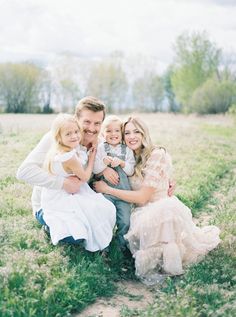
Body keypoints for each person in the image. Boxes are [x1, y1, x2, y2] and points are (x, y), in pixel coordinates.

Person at [94, 116, 221, 284]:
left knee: (162, 214)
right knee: (142, 226)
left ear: (144, 133)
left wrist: (108, 189)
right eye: (127, 133)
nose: (131, 136)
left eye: (136, 132)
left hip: (161, 206)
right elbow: (104, 142)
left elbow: (143, 197)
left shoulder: (156, 154)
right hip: (140, 211)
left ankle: (172, 267)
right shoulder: (127, 156)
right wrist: (102, 172)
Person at [17, 96, 117, 245]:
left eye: (97, 123)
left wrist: (103, 170)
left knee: (104, 214)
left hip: (80, 200)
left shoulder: (101, 143)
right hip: (50, 205)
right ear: (76, 119)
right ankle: (50, 226)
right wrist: (62, 183)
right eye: (87, 122)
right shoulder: (56, 139)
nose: (92, 128)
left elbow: (128, 155)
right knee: (74, 236)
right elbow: (24, 171)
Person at [39, 113, 116, 251]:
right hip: (61, 196)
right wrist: (92, 157)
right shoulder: (69, 157)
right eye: (68, 134)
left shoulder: (58, 149)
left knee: (93, 211)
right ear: (59, 137)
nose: (74, 136)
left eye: (76, 132)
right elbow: (85, 177)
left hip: (54, 194)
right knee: (102, 208)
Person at [93, 115, 135, 249]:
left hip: (124, 193)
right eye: (109, 131)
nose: (113, 134)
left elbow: (131, 170)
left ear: (121, 133)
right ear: (103, 133)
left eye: (117, 131)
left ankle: (120, 245)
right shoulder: (101, 148)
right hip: (106, 193)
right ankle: (104, 244)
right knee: (105, 217)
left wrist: (122, 163)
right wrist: (103, 164)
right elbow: (94, 170)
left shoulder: (126, 150)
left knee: (125, 220)